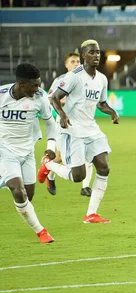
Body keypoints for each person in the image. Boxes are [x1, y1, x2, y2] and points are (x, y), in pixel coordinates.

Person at [37, 40, 120, 223]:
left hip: (91, 128)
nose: (96, 55)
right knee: (78, 176)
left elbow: (101, 103)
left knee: (104, 167)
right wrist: (63, 115)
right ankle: (48, 164)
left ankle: (91, 214)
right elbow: (54, 98)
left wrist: (112, 112)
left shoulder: (102, 79)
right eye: (92, 52)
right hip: (72, 130)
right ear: (83, 56)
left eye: (98, 52)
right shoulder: (74, 77)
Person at [0, 63, 58, 243]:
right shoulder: (1, 95)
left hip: (27, 152)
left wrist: (51, 145)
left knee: (28, 196)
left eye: (39, 84)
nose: (38, 89)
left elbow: (50, 123)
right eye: (34, 85)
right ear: (22, 84)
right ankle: (42, 232)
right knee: (19, 192)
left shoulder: (39, 98)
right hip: (5, 150)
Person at [44, 52, 95, 196]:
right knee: (60, 158)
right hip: (64, 124)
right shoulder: (61, 80)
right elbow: (50, 98)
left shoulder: (86, 79)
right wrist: (65, 101)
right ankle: (50, 174)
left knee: (88, 154)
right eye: (72, 61)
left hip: (82, 123)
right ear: (66, 65)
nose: (76, 64)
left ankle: (85, 187)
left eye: (78, 61)